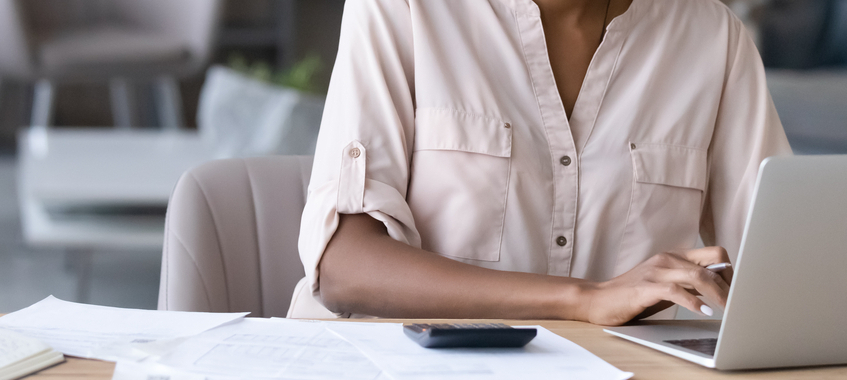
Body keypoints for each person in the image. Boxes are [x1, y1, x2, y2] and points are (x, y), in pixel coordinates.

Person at [297, 0, 791, 326]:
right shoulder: (403, 9)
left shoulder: (712, 37)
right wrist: (586, 299)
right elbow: (345, 269)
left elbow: (780, 259)